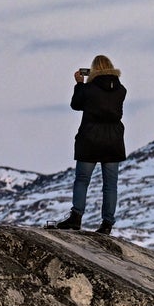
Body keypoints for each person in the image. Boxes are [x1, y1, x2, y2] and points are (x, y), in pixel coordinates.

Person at [48, 54, 125, 234]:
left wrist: (79, 84)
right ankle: (107, 224)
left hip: (90, 140)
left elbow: (76, 105)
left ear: (94, 69)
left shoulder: (89, 89)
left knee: (82, 180)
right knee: (110, 185)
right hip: (113, 141)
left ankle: (76, 217)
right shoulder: (121, 90)